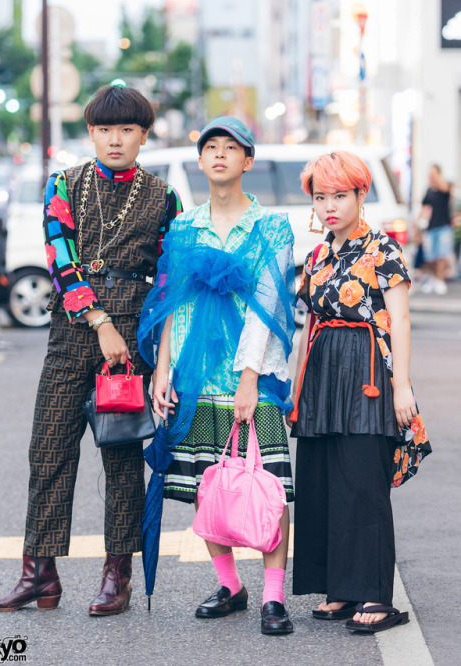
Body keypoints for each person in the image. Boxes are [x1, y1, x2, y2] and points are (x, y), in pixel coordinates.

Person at [0, 84, 182, 616]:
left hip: (131, 342)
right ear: (91, 133)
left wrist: (152, 347)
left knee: (120, 457)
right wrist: (98, 320)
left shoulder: (164, 197)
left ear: (143, 134)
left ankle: (118, 575)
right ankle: (39, 575)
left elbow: (166, 279)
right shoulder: (63, 185)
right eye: (105, 129)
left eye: (127, 130)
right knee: (48, 452)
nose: (115, 139)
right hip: (73, 333)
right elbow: (59, 259)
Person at [137, 117, 296, 635]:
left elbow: (268, 305)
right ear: (201, 160)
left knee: (268, 485)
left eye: (233, 148)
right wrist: (161, 371)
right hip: (193, 374)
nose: (221, 155)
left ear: (247, 161)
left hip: (253, 375)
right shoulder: (184, 228)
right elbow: (170, 306)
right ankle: (230, 585)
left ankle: (274, 596)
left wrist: (249, 377)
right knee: (208, 484)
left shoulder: (271, 227)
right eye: (212, 148)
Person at [287, 151, 431, 634]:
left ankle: (374, 595)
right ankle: (339, 590)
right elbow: (308, 320)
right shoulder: (318, 254)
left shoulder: (383, 249)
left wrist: (403, 386)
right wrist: (294, 386)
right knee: (322, 481)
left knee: (362, 483)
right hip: (323, 371)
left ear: (360, 194)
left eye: (339, 195)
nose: (329, 206)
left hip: (369, 371)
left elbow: (402, 319)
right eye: (320, 197)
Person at [419, 164, 454, 295]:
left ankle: (440, 280)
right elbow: (425, 208)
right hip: (430, 227)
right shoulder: (428, 190)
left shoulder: (445, 186)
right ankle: (433, 279)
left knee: (442, 255)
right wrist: (418, 225)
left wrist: (436, 175)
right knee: (430, 257)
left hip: (444, 226)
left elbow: (445, 188)